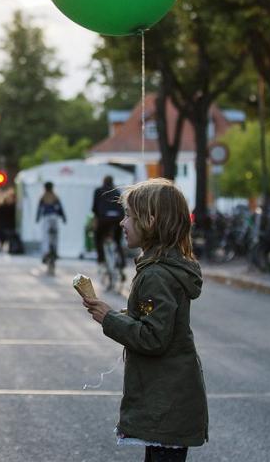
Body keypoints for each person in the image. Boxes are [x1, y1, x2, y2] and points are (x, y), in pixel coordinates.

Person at [81, 178, 209, 461]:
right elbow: (162, 322)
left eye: (129, 215)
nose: (121, 223)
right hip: (170, 399)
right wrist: (117, 315)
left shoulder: (155, 275)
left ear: (150, 221)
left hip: (165, 403)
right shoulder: (163, 268)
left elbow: (154, 337)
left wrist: (109, 319)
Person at [36, 182, 67, 275]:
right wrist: (64, 217)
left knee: (45, 236)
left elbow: (39, 209)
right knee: (55, 237)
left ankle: (46, 253)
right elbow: (61, 209)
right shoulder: (55, 197)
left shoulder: (43, 197)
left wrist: (37, 218)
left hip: (46, 218)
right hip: (54, 218)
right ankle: (55, 252)